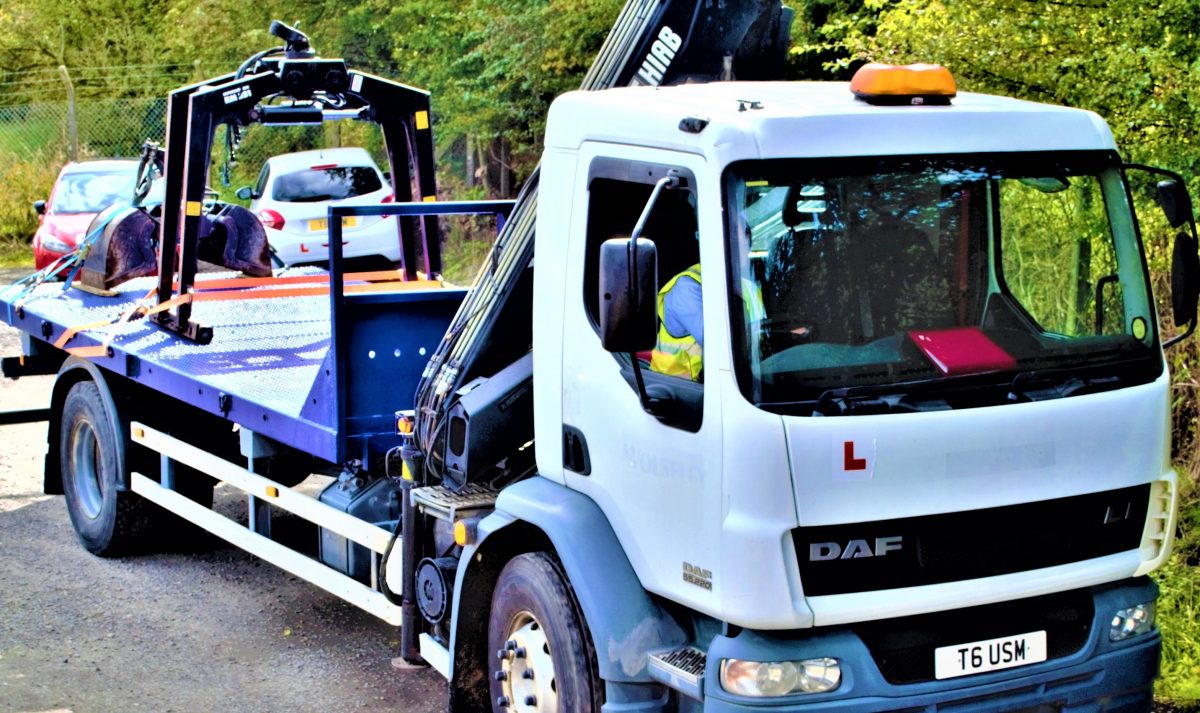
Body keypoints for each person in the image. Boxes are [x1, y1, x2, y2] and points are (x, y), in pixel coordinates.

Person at [650, 263, 704, 381]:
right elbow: (713, 342)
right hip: (678, 384)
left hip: (698, 381)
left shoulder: (737, 279)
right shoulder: (686, 288)